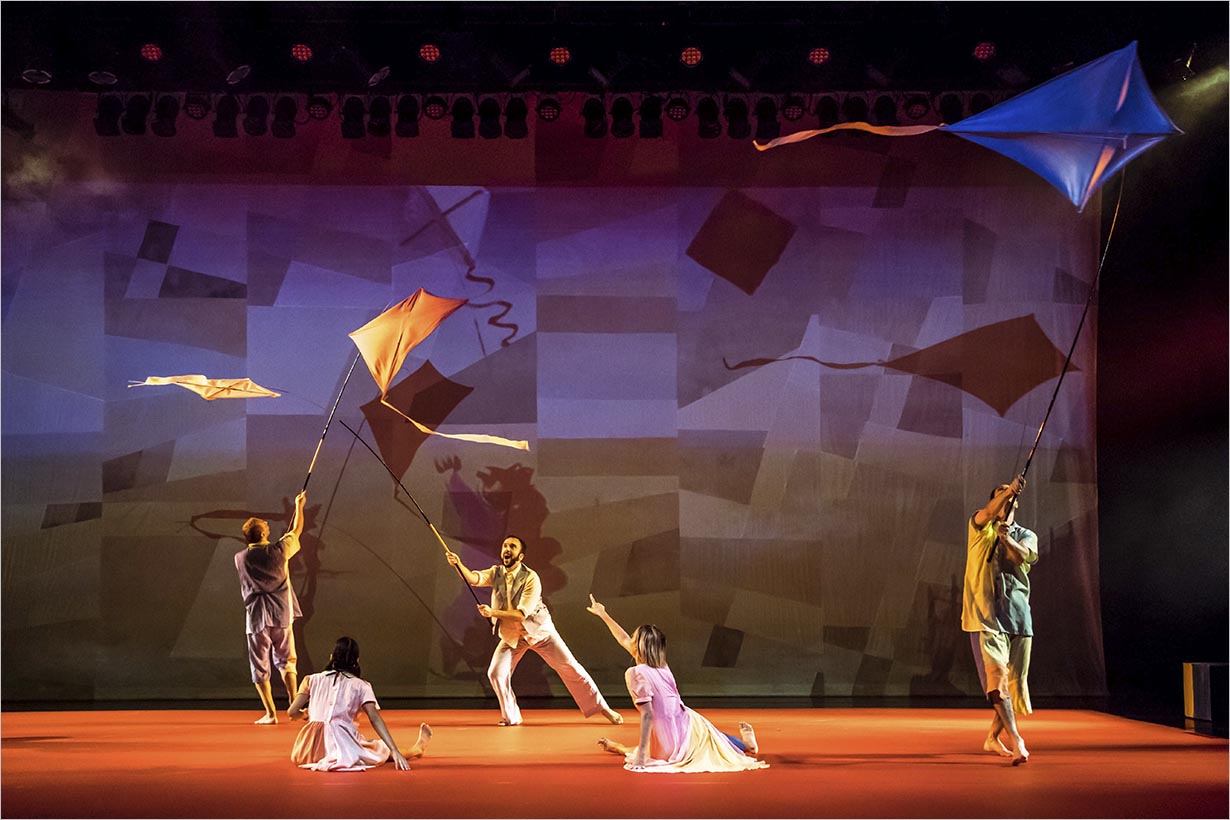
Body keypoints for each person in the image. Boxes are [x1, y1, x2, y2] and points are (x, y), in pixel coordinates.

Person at [444, 535, 623, 727]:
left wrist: (492, 612)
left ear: (520, 556)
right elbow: (474, 579)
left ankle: (604, 708)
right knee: (496, 673)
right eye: (505, 545)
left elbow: (521, 614)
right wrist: (458, 564)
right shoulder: (496, 573)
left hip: (540, 632)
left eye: (512, 546)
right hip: (514, 636)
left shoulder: (531, 578)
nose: (507, 549)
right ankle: (512, 717)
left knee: (570, 667)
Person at [586, 595, 768, 774]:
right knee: (708, 735)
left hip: (670, 736)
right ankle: (745, 745)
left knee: (704, 737)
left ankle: (745, 745)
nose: (629, 640)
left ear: (637, 646)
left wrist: (641, 756)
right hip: (682, 724)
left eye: (633, 638)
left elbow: (648, 715)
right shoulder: (662, 666)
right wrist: (604, 614)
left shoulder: (636, 673)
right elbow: (623, 639)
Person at [962, 475, 1039, 766]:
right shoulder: (979, 527)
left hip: (1018, 617)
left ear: (1016, 503)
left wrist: (1007, 539)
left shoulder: (1026, 535)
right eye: (1000, 495)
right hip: (985, 618)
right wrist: (1007, 492)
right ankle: (1017, 740)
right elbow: (988, 512)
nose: (1005, 498)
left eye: (1010, 496)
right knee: (997, 681)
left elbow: (1025, 557)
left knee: (1015, 687)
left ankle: (993, 737)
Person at [288, 636, 431, 771]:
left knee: (369, 747)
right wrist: (394, 749)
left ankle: (413, 750)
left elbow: (292, 712)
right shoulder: (361, 686)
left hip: (308, 750)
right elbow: (375, 718)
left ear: (331, 657)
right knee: (379, 749)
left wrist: (304, 715)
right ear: (357, 660)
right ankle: (416, 750)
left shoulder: (311, 679)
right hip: (342, 746)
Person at [234, 490, 307, 725]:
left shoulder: (240, 558)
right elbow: (296, 531)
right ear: (264, 533)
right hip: (281, 614)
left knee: (259, 664)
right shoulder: (279, 551)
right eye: (266, 526)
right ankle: (294, 705)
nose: (268, 526)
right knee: (287, 660)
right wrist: (299, 506)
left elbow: (290, 534)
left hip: (256, 617)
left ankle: (271, 713)